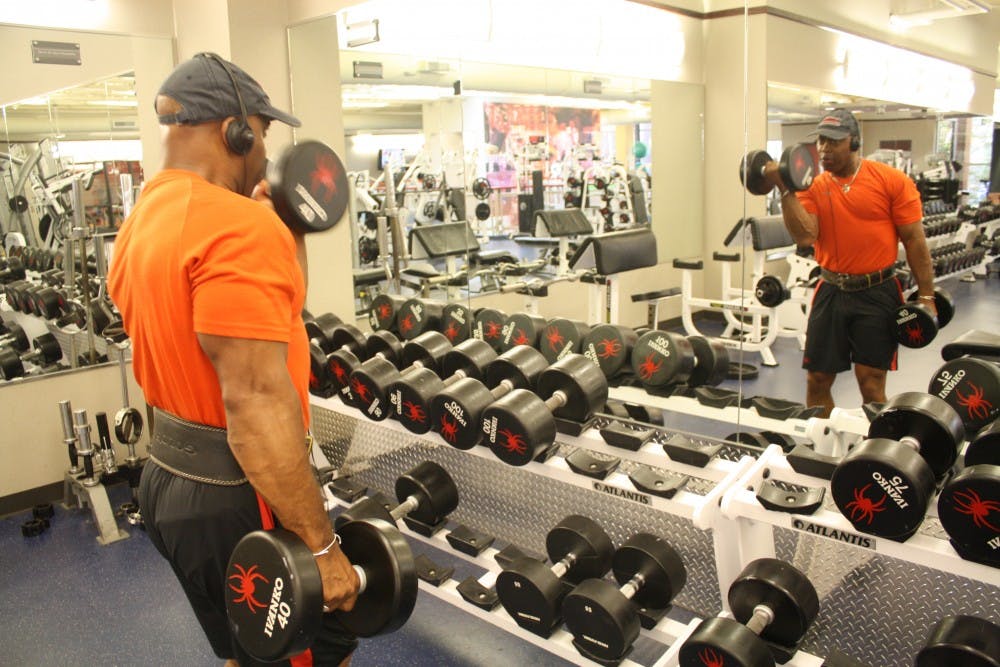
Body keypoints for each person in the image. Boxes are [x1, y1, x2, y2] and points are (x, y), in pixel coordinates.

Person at [107, 53, 359, 666]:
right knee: (320, 651)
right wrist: (322, 548)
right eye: (263, 135)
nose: (265, 153)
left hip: (169, 486)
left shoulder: (139, 223)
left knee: (248, 649)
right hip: (240, 493)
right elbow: (256, 402)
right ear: (235, 131)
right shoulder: (237, 229)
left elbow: (269, 320)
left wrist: (287, 233)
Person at [769, 108, 937, 416]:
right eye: (821, 141)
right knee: (817, 380)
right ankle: (823, 452)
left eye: (834, 141)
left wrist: (927, 296)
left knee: (871, 382)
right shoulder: (814, 187)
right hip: (831, 290)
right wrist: (785, 189)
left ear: (855, 142)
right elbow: (805, 237)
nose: (824, 149)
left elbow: (914, 240)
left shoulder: (891, 181)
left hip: (878, 291)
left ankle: (874, 452)